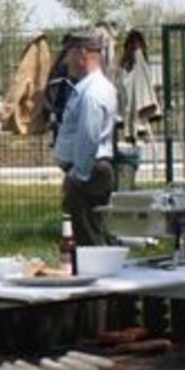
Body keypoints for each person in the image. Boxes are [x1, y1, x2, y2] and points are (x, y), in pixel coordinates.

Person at [53, 30, 119, 246]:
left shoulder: (92, 92)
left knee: (90, 242)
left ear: (83, 55)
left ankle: (96, 277)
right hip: (88, 170)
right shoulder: (89, 87)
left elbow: (88, 137)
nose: (65, 60)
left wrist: (76, 176)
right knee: (89, 236)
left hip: (88, 172)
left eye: (68, 54)